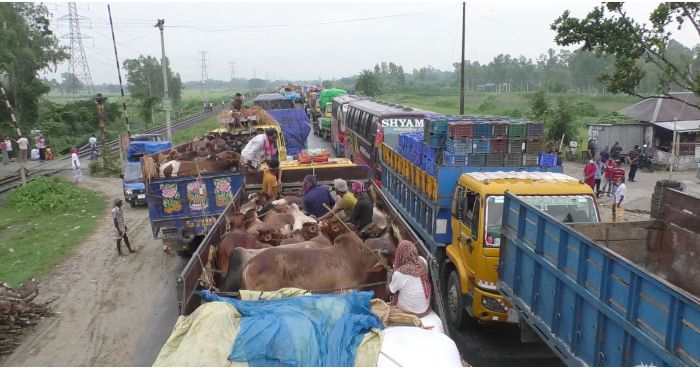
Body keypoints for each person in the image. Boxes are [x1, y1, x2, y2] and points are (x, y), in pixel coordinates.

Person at [387, 240, 432, 317]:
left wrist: (389, 276)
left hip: (409, 312)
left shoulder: (399, 273)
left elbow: (390, 292)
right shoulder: (423, 261)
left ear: (399, 255)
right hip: (425, 310)